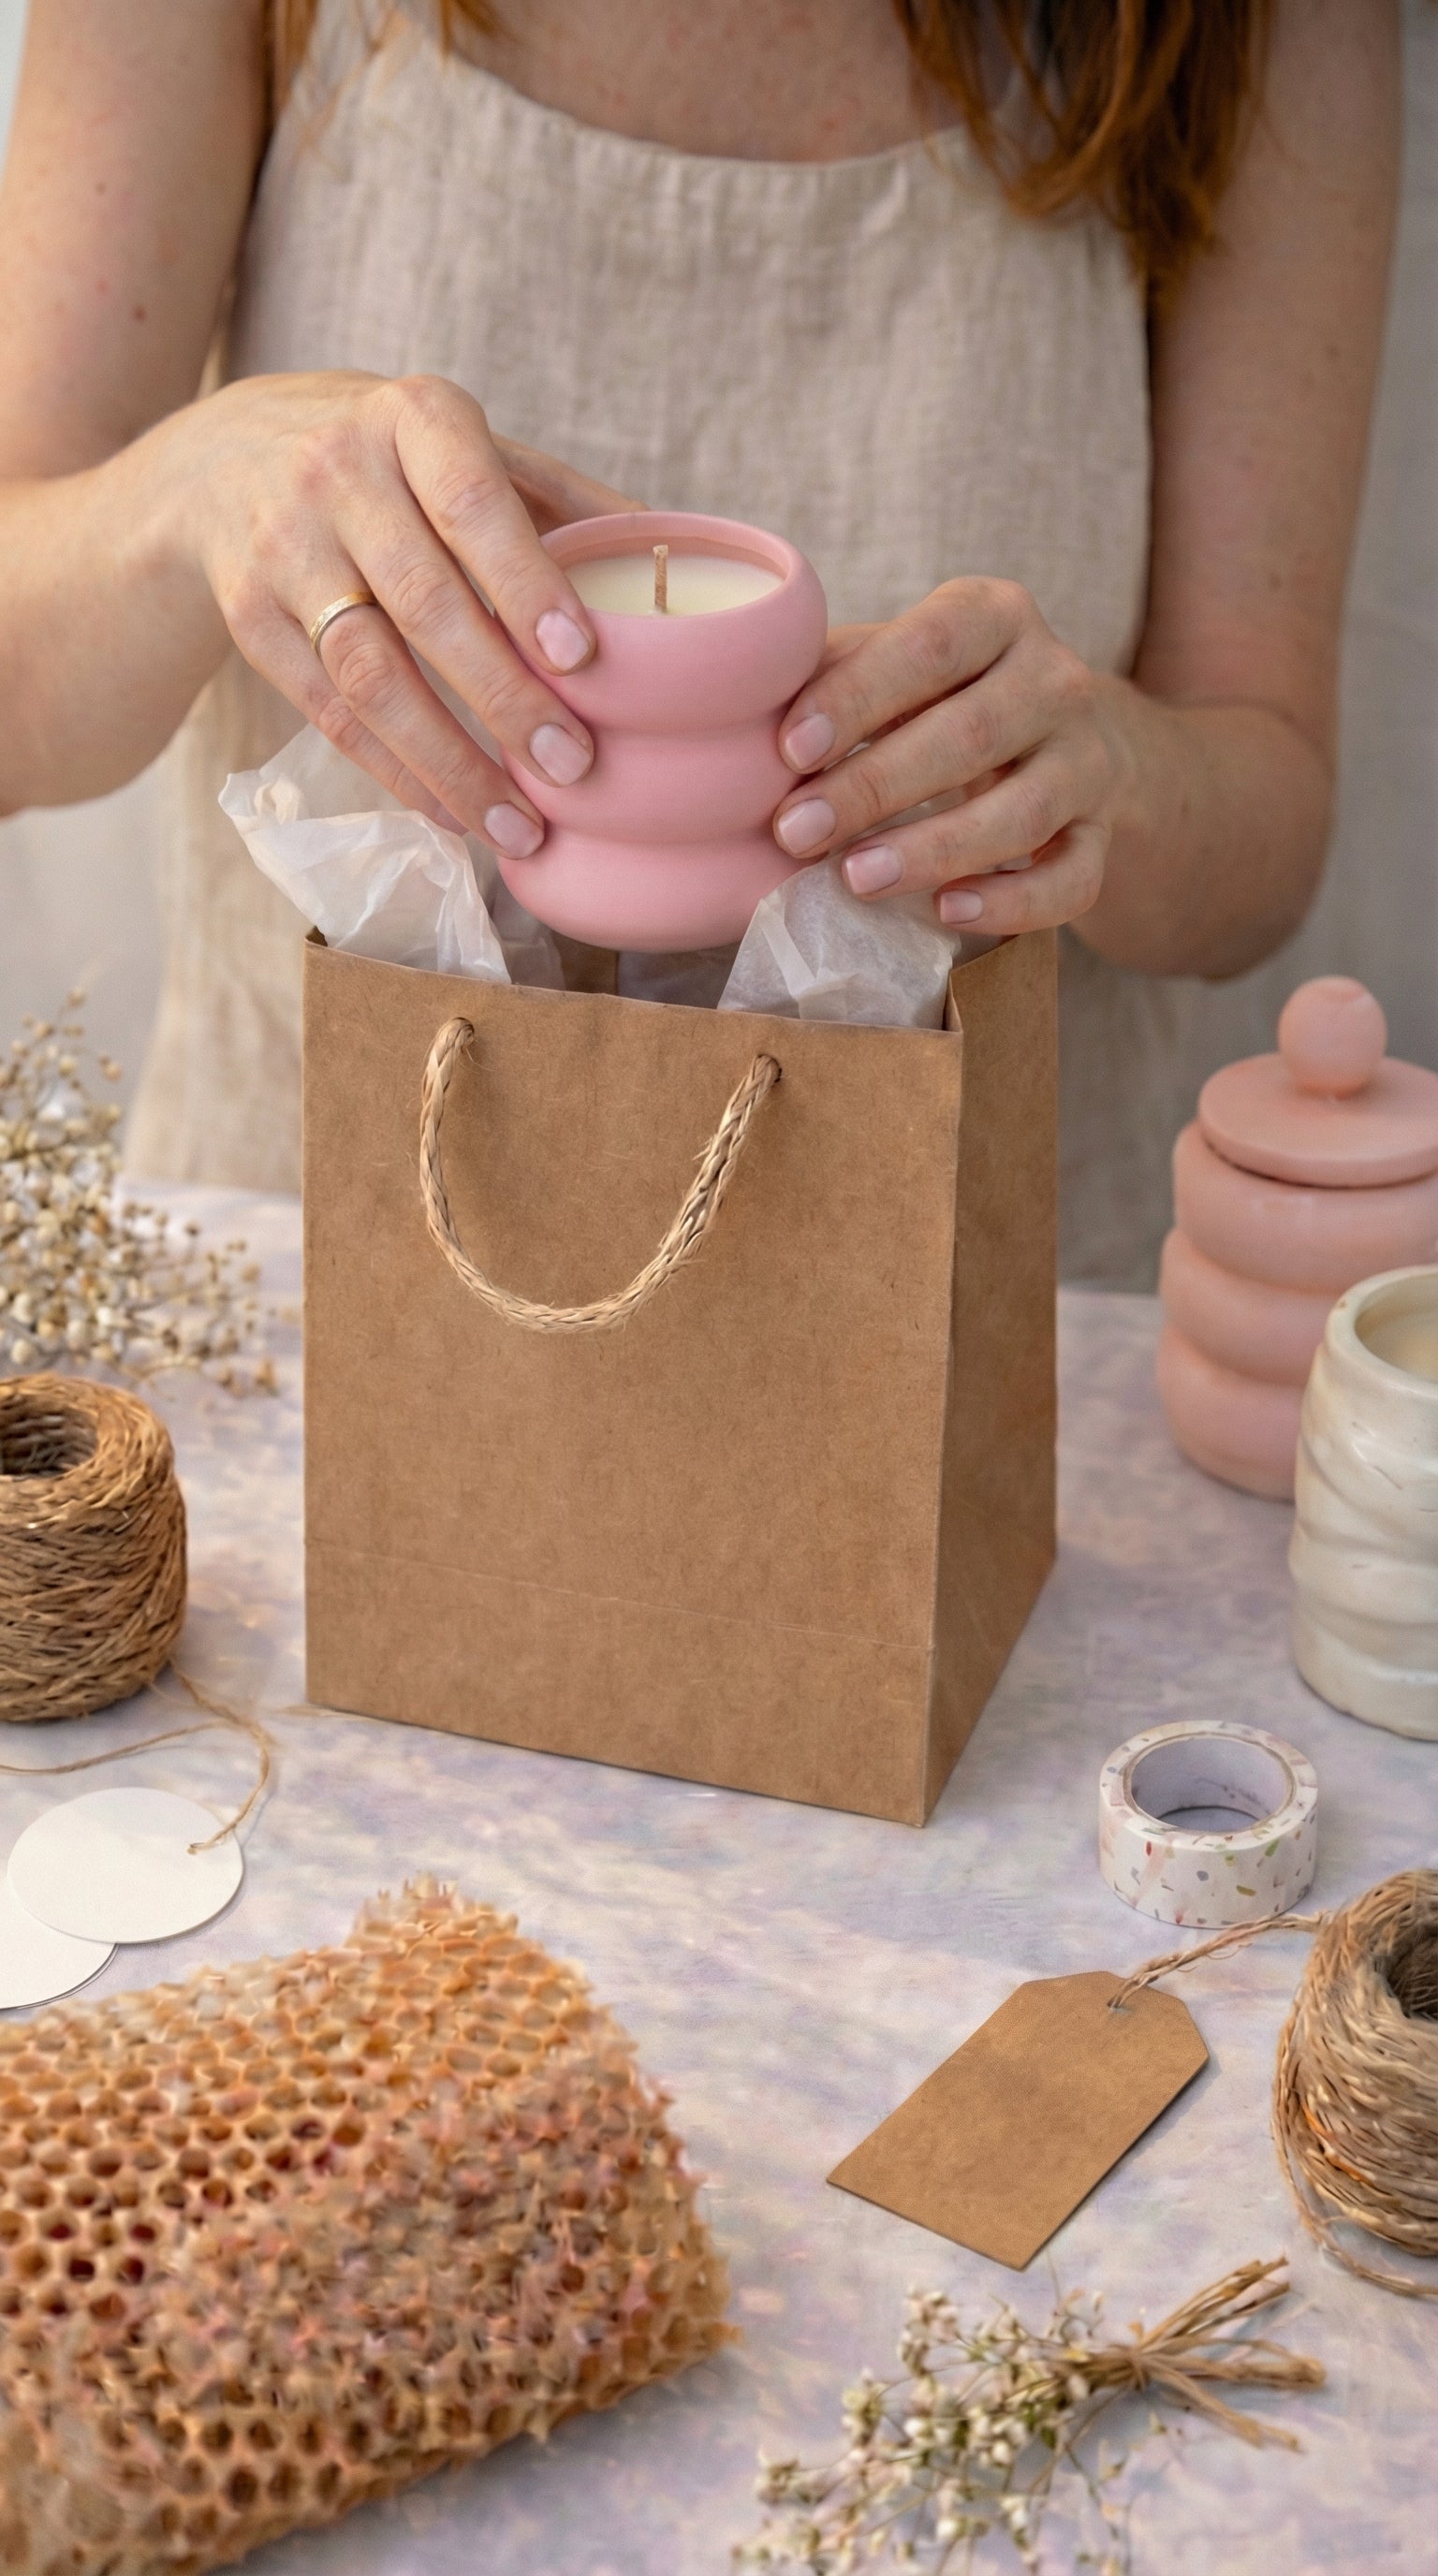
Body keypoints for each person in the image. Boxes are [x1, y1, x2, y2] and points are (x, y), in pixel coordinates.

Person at [0, 0, 1398, 1283]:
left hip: (960, 1318)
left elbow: (1264, 838)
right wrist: (199, 488)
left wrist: (1111, 770)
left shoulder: (1246, 30)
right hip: (320, 1290)